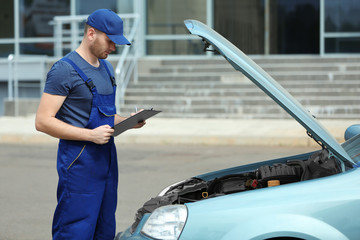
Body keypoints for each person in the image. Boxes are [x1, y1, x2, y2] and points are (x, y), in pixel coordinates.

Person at [35, 9, 145, 240]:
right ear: (91, 33)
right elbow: (43, 121)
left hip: (106, 161)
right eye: (110, 41)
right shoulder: (64, 70)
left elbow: (105, 116)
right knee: (75, 230)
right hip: (79, 163)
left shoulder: (106, 68)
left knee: (104, 228)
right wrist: (90, 136)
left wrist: (129, 122)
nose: (113, 48)